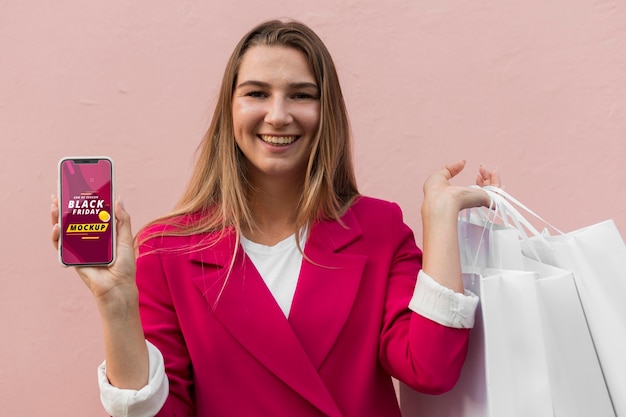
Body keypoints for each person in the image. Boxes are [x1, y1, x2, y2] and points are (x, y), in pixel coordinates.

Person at [51, 19, 500, 417]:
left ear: (327, 113)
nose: (279, 115)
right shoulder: (166, 249)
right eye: (257, 93)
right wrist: (116, 305)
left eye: (301, 95)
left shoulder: (379, 229)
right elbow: (163, 413)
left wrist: (438, 219)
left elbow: (430, 368)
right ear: (230, 109)